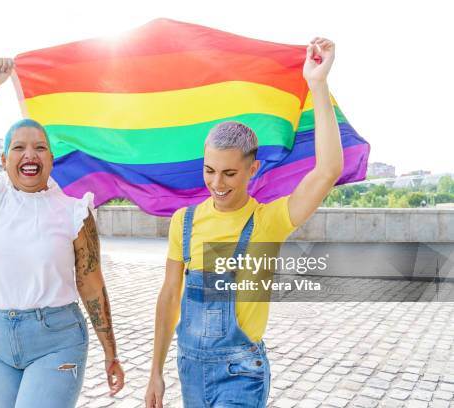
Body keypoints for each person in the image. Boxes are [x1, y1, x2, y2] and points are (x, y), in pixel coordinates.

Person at [145, 37, 342, 407]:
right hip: (190, 371)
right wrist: (155, 371)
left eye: (230, 173)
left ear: (252, 169)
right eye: (209, 171)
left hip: (241, 374)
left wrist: (317, 83)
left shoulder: (268, 221)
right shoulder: (183, 223)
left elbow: (328, 169)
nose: (217, 184)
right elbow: (169, 297)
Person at [0, 58, 124, 407]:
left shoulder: (74, 212)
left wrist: (110, 350)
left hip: (57, 339)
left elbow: (91, 283)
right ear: (5, 160)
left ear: (52, 160)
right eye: (19, 147)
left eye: (40, 147)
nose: (30, 154)